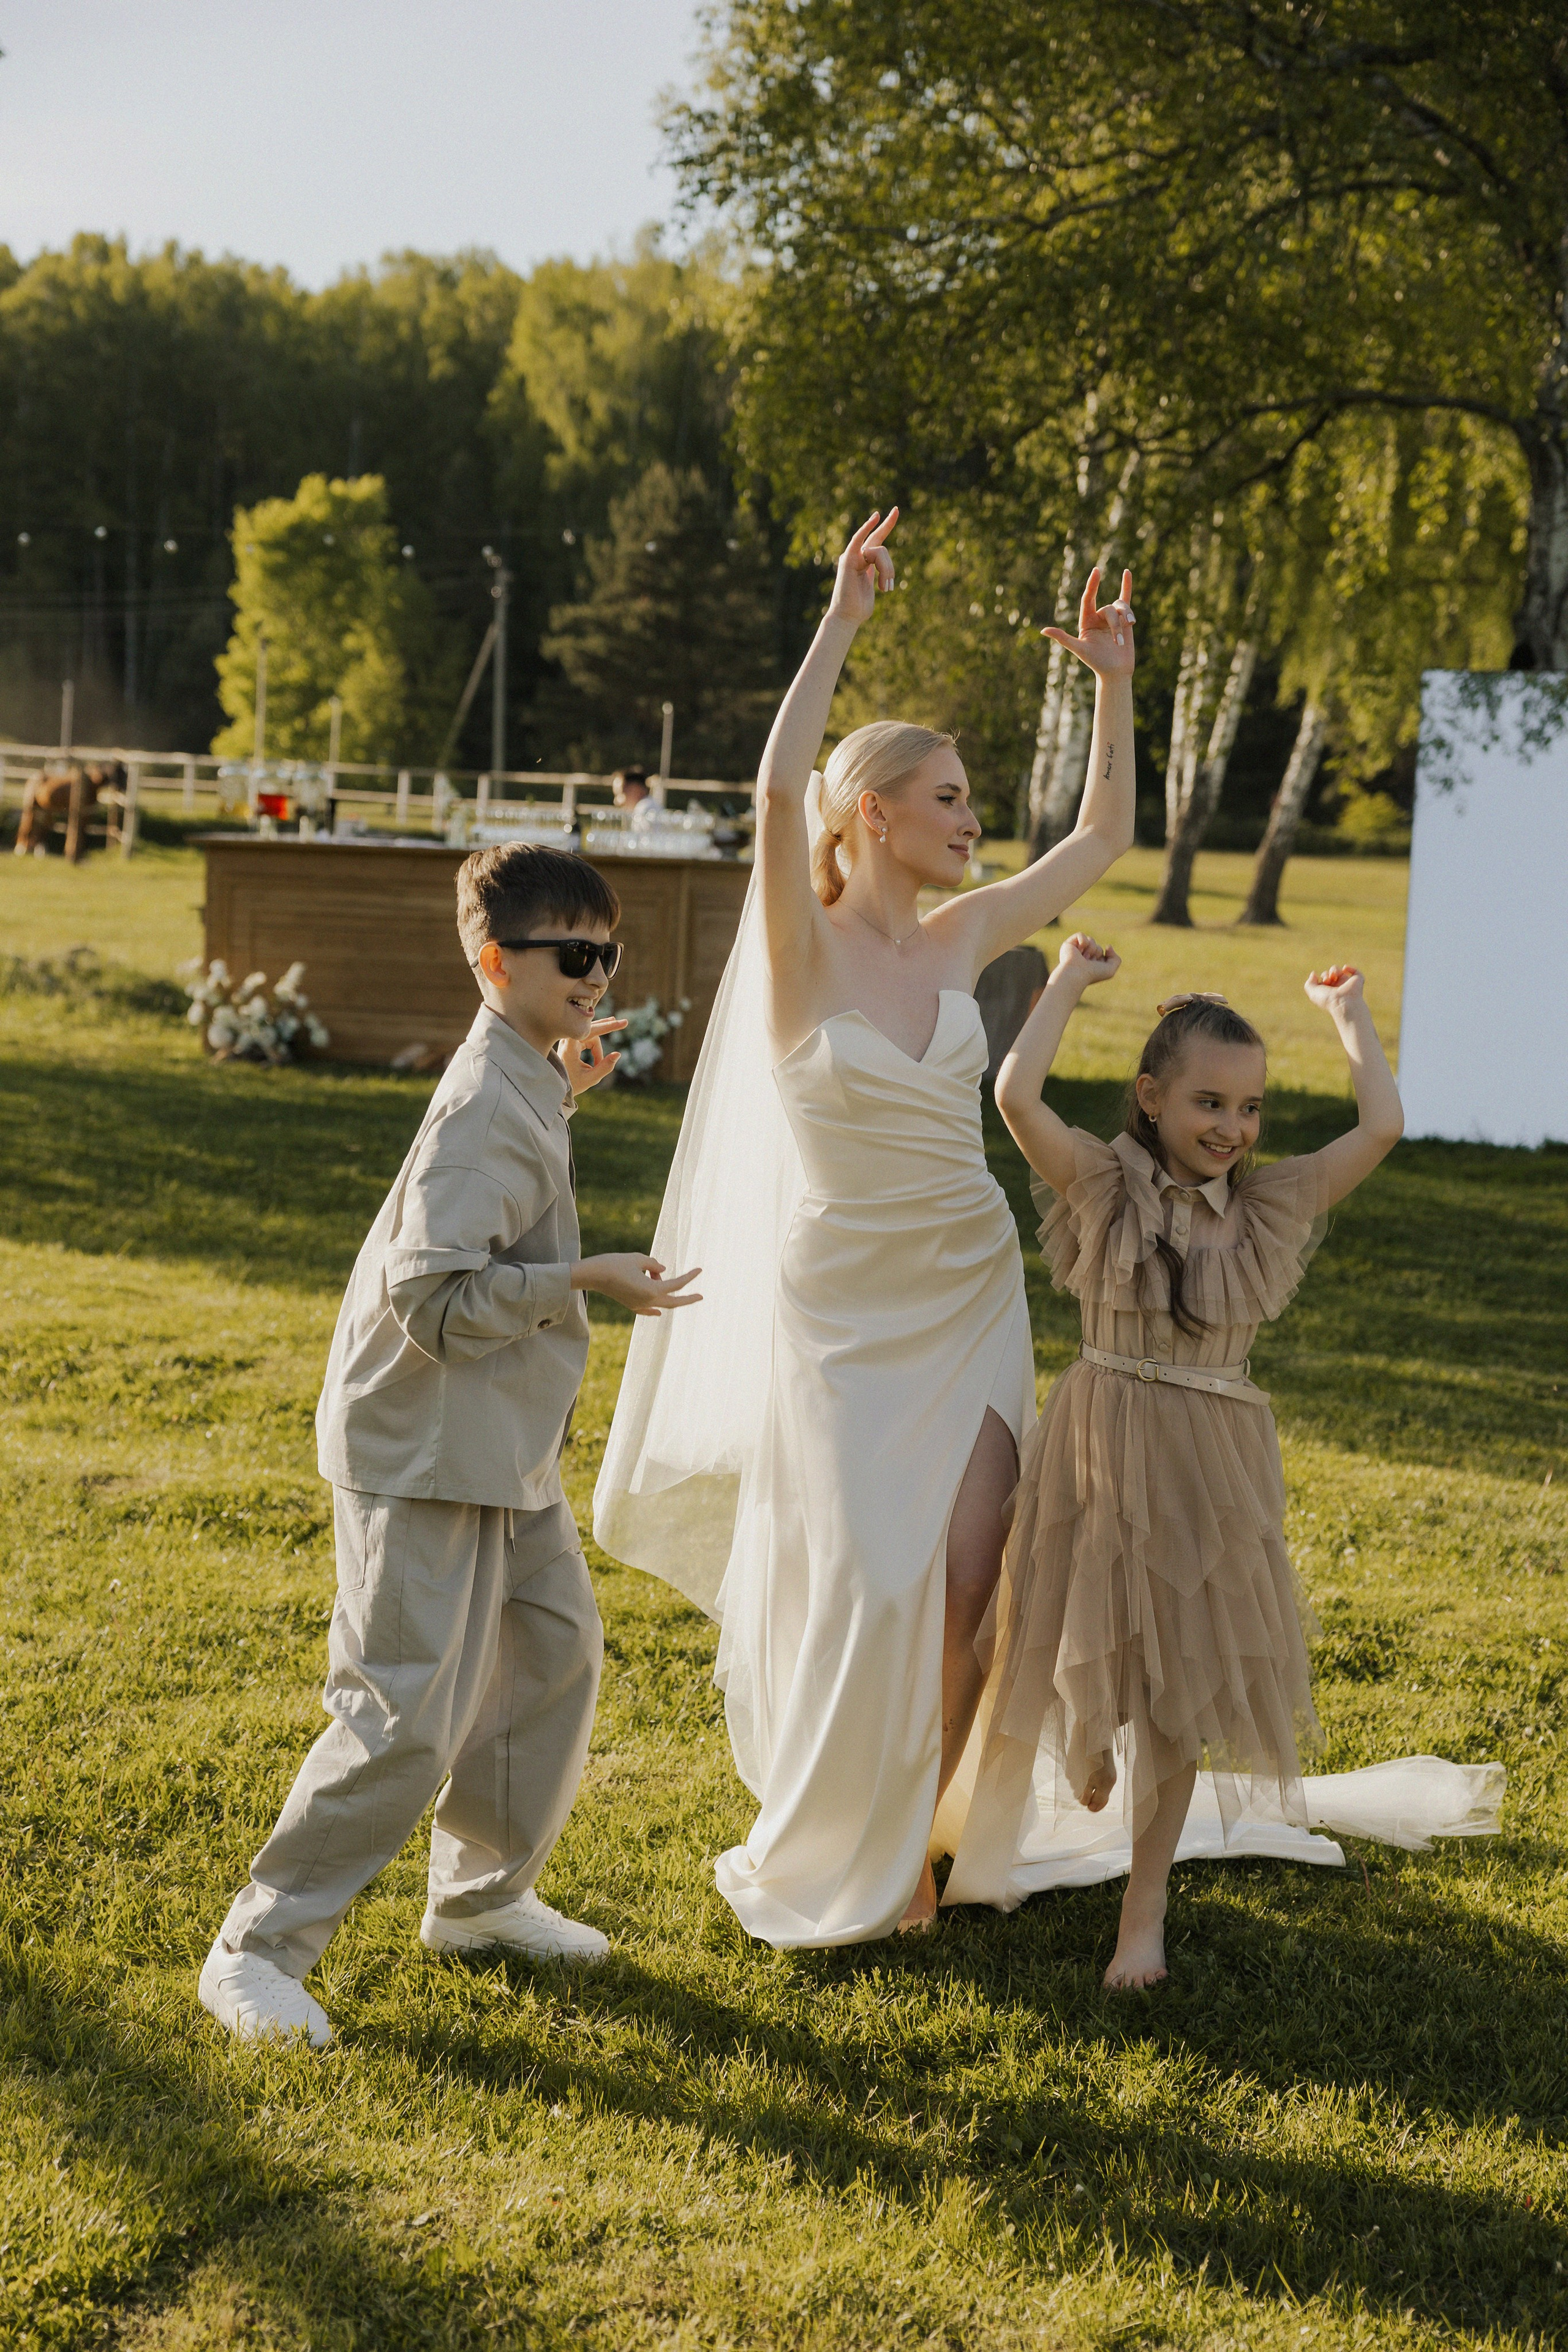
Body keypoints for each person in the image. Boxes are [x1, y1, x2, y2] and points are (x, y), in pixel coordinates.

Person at [595, 509, 1139, 1945]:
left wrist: (1112, 683)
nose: (972, 820)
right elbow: (776, 796)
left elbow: (1104, 837)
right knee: (861, 1579)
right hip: (839, 1306)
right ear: (875, 815)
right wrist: (839, 620)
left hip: (966, 1287)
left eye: (970, 795)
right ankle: (856, 1824)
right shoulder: (799, 947)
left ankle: (926, 1843)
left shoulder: (962, 941)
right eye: (949, 796)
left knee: (972, 1571)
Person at [200, 843, 701, 2047]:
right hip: (418, 1445)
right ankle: (254, 1951)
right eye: (571, 955)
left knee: (551, 1649)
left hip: (495, 1439)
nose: (596, 973)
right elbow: (429, 1302)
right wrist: (577, 1277)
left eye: (607, 950)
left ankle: (478, 1900)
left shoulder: (523, 1069)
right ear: (495, 963)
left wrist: (567, 1078)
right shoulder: (482, 1107)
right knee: (405, 1707)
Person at [946, 942, 1502, 1985]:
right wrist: (1064, 984)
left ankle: (1142, 1915)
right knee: (1075, 1615)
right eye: (1209, 1102)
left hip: (1211, 1458)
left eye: (1249, 1109)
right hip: (1103, 1433)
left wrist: (1350, 1021)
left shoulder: (1268, 1206)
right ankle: (1086, 1738)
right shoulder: (1105, 1185)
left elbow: (1380, 1127)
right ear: (1151, 1097)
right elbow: (1017, 1095)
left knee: (1181, 1681)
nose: (1231, 1128)